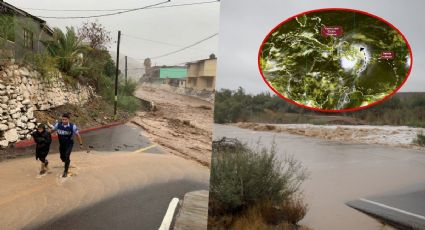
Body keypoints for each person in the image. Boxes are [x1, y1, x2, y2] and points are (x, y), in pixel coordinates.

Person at [50, 113, 83, 178]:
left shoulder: (72, 126)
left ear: (68, 120)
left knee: (67, 156)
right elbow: (52, 130)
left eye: (65, 120)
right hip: (61, 144)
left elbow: (77, 135)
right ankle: (66, 162)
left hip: (69, 144)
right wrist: (46, 135)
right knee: (62, 157)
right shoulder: (58, 125)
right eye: (63, 119)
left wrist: (81, 144)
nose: (64, 121)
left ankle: (65, 171)